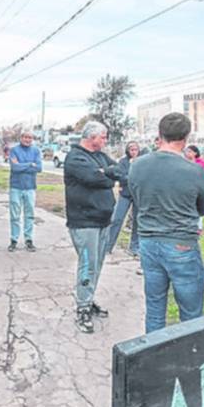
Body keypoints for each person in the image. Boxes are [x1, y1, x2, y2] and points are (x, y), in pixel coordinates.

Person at [129, 113, 204, 333]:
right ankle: (188, 357)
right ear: (186, 137)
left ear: (159, 134)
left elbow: (136, 198)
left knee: (155, 307)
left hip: (148, 241)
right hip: (180, 242)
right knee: (191, 312)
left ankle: (152, 357)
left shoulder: (137, 165)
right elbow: (203, 208)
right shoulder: (194, 170)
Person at [64, 121, 121, 334]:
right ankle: (83, 308)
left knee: (97, 265)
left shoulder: (100, 156)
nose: (105, 141)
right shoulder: (75, 157)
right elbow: (93, 178)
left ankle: (88, 298)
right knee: (87, 265)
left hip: (103, 219)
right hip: (84, 220)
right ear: (92, 137)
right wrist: (107, 176)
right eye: (103, 137)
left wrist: (105, 173)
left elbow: (119, 170)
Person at [105, 140, 142, 256]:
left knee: (137, 221)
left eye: (136, 149)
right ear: (128, 150)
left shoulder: (142, 162)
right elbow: (119, 175)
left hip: (138, 195)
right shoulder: (123, 162)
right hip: (125, 194)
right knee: (117, 219)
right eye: (131, 149)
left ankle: (134, 247)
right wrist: (130, 176)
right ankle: (108, 245)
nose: (134, 152)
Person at [8, 130, 42, 252]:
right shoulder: (14, 150)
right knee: (15, 215)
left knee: (30, 215)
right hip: (16, 187)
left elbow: (39, 168)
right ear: (21, 138)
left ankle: (29, 240)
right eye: (25, 137)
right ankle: (14, 240)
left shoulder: (36, 151)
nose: (27, 139)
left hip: (30, 188)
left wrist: (24, 165)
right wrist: (30, 164)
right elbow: (15, 167)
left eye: (30, 137)